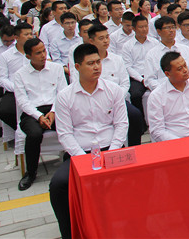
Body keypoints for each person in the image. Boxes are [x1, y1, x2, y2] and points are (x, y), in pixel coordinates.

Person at [50, 43, 129, 239]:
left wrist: (111, 153)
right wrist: (84, 159)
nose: (96, 67)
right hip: (81, 154)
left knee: (136, 177)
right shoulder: (64, 97)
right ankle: (70, 233)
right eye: (90, 63)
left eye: (98, 62)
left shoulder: (113, 90)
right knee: (58, 185)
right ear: (77, 67)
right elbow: (65, 134)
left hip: (111, 149)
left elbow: (121, 125)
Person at [14, 38, 66, 190]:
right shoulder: (20, 74)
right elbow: (22, 101)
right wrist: (39, 116)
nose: (43, 55)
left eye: (44, 51)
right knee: (34, 134)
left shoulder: (56, 68)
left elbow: (62, 93)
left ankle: (75, 161)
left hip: (55, 108)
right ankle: (31, 173)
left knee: (69, 126)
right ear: (28, 56)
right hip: (31, 112)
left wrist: (53, 111)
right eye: (38, 53)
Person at [143, 16, 189, 92]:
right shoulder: (152, 54)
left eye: (173, 27)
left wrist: (187, 86)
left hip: (188, 89)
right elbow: (149, 80)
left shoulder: (186, 50)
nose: (171, 30)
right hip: (164, 93)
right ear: (159, 31)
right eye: (167, 28)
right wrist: (164, 91)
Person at [0, 23, 33, 132]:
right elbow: (1, 79)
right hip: (13, 90)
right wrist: (17, 88)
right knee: (5, 110)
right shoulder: (6, 56)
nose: (29, 37)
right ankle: (21, 129)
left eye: (30, 34)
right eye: (26, 34)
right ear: (16, 37)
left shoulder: (36, 51)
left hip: (35, 87)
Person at [121, 14, 157, 114]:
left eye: (146, 26)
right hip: (137, 77)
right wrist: (142, 79)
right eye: (141, 27)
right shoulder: (127, 46)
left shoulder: (154, 43)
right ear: (133, 28)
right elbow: (128, 67)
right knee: (135, 95)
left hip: (153, 75)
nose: (144, 29)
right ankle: (141, 118)